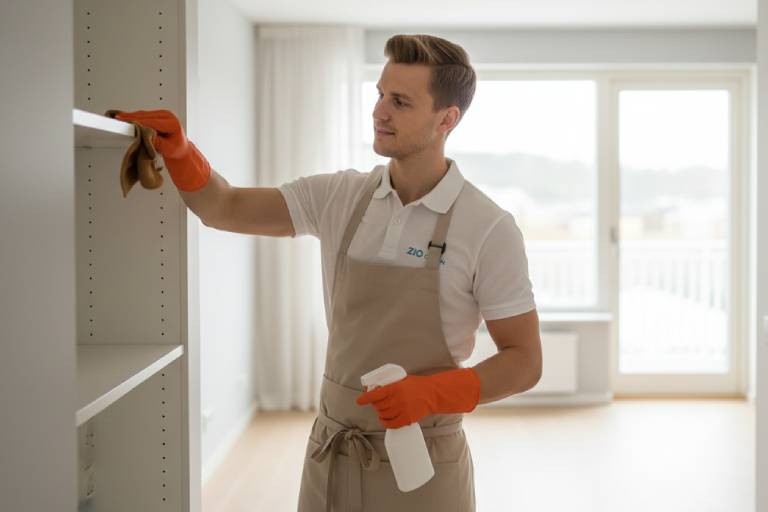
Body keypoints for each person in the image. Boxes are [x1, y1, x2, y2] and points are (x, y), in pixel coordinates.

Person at [116, 33, 542, 512]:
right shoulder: (339, 197)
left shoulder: (488, 228)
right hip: (332, 453)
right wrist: (180, 152)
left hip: (423, 461)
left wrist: (431, 393)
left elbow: (524, 360)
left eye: (400, 102)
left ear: (447, 119)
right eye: (380, 94)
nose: (379, 111)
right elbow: (225, 206)